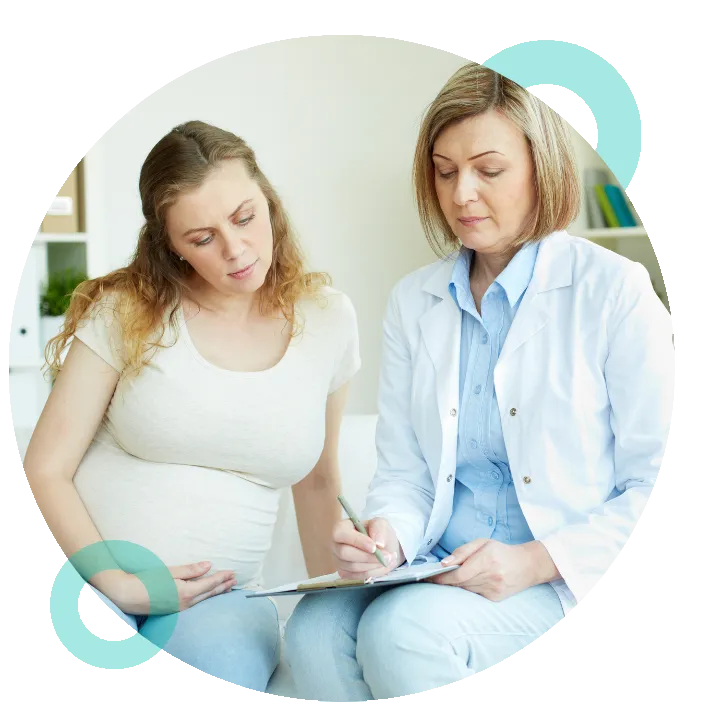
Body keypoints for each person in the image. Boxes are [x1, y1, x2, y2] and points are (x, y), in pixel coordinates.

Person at [284, 63, 676, 700]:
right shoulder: (414, 301)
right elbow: (407, 474)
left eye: (488, 170)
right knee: (312, 632)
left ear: (542, 169)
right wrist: (386, 539)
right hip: (440, 567)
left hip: (560, 576)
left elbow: (662, 486)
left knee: (402, 633)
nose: (462, 194)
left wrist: (532, 561)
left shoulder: (615, 292)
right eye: (445, 172)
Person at [23, 121, 361, 692]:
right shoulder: (128, 310)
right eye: (202, 238)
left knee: (219, 667)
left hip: (217, 603)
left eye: (245, 217)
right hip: (87, 581)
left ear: (269, 199)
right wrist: (118, 583)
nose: (235, 249)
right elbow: (46, 467)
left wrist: (336, 611)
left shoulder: (328, 318)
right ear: (169, 245)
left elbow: (318, 482)